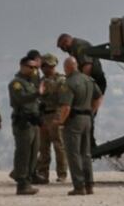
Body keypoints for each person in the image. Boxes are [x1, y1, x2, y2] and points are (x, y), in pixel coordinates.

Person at [58, 56, 103, 195]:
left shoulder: (69, 83)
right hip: (87, 119)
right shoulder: (88, 80)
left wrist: (61, 122)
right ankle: (89, 185)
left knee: (74, 154)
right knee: (86, 153)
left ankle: (79, 186)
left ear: (68, 67)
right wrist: (92, 111)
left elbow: (66, 107)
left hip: (73, 121)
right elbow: (99, 96)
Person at [57, 34, 106, 150]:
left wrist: (81, 84)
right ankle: (87, 142)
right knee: (85, 111)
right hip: (89, 82)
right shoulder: (74, 48)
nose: (64, 50)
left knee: (86, 111)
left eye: (62, 47)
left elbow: (87, 66)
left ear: (66, 41)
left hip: (92, 82)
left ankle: (89, 143)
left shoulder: (79, 46)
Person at [8, 55, 45, 195]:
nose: (34, 70)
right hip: (23, 122)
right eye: (31, 67)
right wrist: (37, 93)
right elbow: (21, 98)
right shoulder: (16, 83)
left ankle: (28, 180)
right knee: (23, 153)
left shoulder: (30, 83)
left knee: (33, 153)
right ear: (23, 66)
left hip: (33, 122)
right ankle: (22, 183)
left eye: (36, 67)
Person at [34, 53, 68, 184]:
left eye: (45, 66)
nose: (43, 68)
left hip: (55, 114)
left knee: (59, 146)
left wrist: (59, 118)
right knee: (43, 147)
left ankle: (62, 174)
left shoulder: (60, 80)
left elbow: (63, 101)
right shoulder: (41, 81)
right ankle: (43, 173)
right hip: (44, 116)